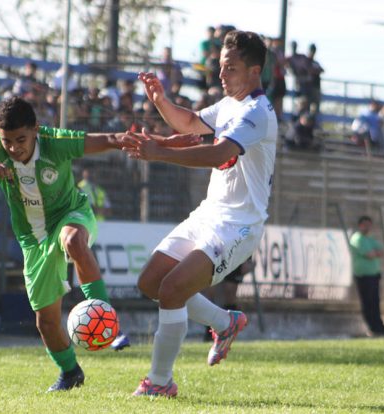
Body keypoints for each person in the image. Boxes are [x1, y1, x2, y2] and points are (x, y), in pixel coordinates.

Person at [0, 96, 199, 392]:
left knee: (72, 240)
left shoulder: (55, 142)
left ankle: (107, 319)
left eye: (21, 139)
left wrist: (168, 143)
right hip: (33, 240)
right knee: (46, 322)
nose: (14, 148)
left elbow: (112, 138)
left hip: (72, 214)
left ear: (36, 129)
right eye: (8, 141)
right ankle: (70, 372)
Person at [122, 30, 277, 397]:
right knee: (150, 282)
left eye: (230, 68)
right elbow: (190, 123)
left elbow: (215, 153)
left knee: (173, 289)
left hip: (238, 226)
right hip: (209, 214)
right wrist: (161, 100)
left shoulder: (257, 112)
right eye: (220, 66)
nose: (221, 75)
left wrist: (160, 153)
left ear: (254, 72)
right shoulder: (228, 104)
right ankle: (225, 323)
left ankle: (160, 383)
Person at [349, 216, 384, 336]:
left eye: (369, 224)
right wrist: (374, 253)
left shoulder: (370, 238)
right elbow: (370, 254)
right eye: (365, 224)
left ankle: (379, 327)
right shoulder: (357, 239)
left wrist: (375, 253)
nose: (368, 227)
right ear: (360, 225)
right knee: (368, 303)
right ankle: (373, 327)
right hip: (364, 276)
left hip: (374, 275)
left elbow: (381, 251)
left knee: (375, 302)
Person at [200, 257, 253, 341]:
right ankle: (209, 333)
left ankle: (229, 330)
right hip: (216, 255)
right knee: (210, 292)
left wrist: (248, 260)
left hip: (233, 255)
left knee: (230, 292)